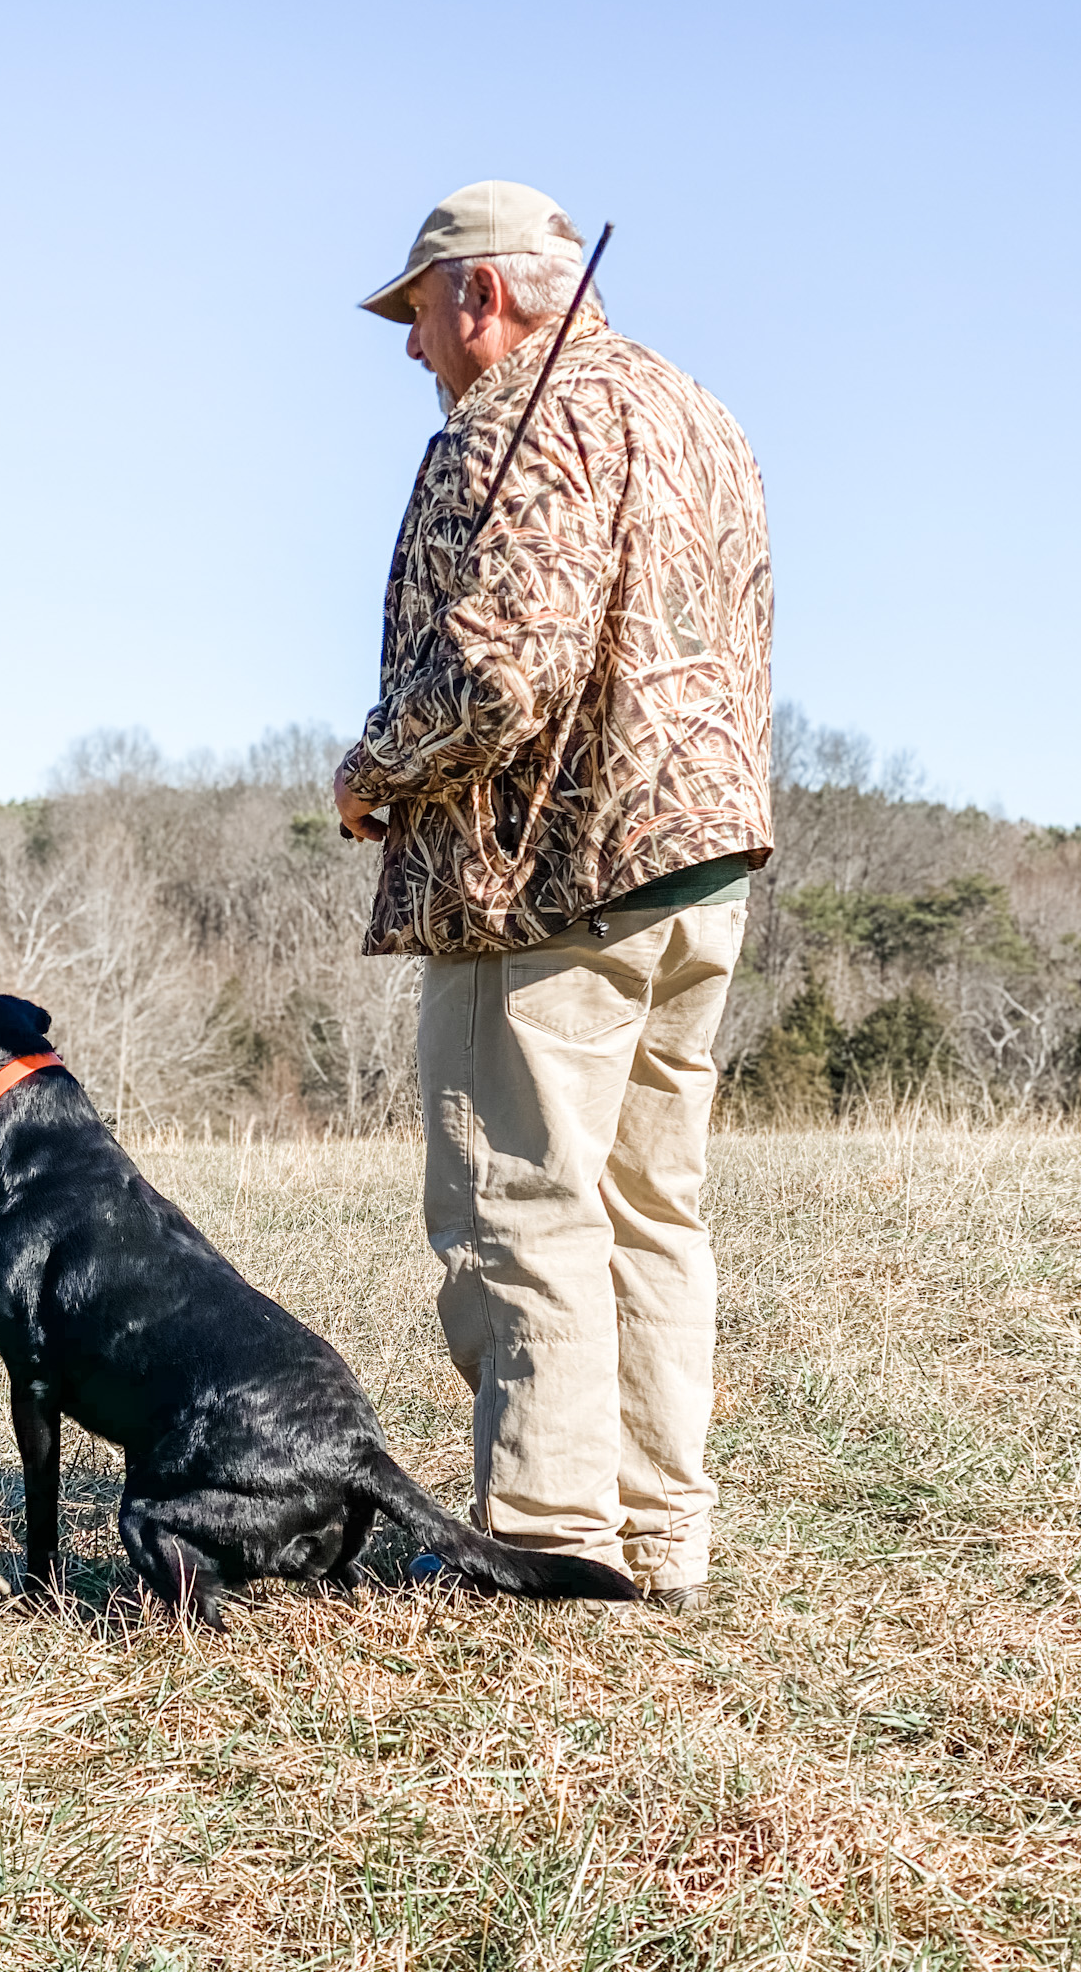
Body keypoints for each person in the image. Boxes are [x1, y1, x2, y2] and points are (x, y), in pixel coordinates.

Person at [334, 180, 773, 1614]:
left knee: (519, 1205)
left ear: (484, 296)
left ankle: (544, 1540)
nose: (415, 351)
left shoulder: (516, 421)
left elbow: (500, 667)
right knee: (653, 1211)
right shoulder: (702, 414)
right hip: (703, 866)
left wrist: (375, 771)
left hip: (546, 878)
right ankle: (660, 1543)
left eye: (419, 316)